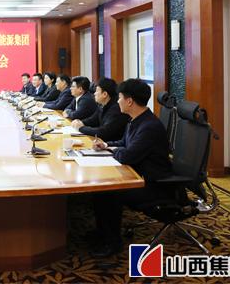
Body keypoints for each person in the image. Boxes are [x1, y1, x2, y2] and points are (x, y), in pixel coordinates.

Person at [89, 78, 174, 256]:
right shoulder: (136, 119)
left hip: (154, 184)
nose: (117, 101)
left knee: (108, 191)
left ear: (129, 101)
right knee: (100, 189)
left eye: (120, 97)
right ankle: (102, 233)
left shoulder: (149, 126)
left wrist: (114, 151)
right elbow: (124, 143)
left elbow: (127, 155)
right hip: (139, 174)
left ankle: (113, 242)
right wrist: (106, 145)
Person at [70, 77, 129, 141]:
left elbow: (103, 132)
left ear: (105, 94)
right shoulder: (102, 105)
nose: (94, 93)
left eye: (97, 91)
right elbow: (94, 119)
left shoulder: (116, 109)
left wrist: (81, 128)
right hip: (102, 142)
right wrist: (81, 122)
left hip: (111, 143)